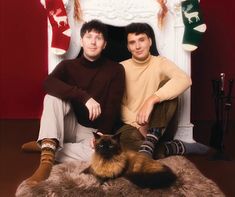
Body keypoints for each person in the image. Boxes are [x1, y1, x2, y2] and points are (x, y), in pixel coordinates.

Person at [23, 20, 125, 184]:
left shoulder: (116, 69)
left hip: (93, 133)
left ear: (104, 44)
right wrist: (85, 97)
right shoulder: (67, 66)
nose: (93, 41)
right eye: (88, 36)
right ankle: (46, 162)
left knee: (101, 156)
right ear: (81, 41)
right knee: (52, 97)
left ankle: (48, 144)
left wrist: (100, 135)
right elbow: (47, 83)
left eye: (98, 38)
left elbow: (113, 106)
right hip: (71, 125)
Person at [119, 22, 208, 159]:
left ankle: (151, 140)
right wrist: (138, 124)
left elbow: (185, 80)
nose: (137, 46)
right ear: (128, 47)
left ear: (150, 41)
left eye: (141, 40)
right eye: (132, 43)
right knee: (121, 141)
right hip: (134, 126)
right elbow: (117, 104)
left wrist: (152, 99)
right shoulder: (121, 68)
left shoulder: (160, 62)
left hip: (161, 126)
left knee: (168, 86)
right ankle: (171, 147)